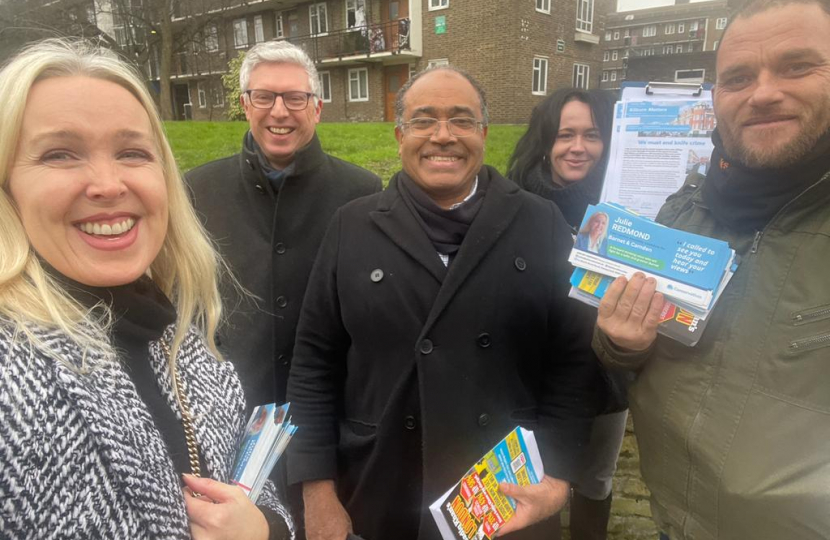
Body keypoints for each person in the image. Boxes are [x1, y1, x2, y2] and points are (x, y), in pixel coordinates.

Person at [286, 66, 604, 540]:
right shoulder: (350, 227)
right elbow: (313, 365)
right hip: (379, 488)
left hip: (507, 497)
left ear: (484, 134)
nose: (443, 136)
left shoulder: (540, 222)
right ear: (399, 135)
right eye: (423, 121)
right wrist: (317, 493)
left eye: (461, 120)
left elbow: (575, 362)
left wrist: (558, 479)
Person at [0, 39, 293, 539]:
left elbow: (248, 484)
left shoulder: (178, 335)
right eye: (60, 154)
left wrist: (267, 529)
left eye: (133, 152)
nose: (108, 184)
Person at [593, 0, 830, 538]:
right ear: (716, 95)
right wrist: (622, 343)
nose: (763, 92)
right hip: (673, 521)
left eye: (797, 66)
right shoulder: (684, 210)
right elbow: (639, 354)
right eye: (738, 77)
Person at [186, 41, 381, 411]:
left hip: (328, 407)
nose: (279, 112)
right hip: (230, 407)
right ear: (245, 106)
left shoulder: (361, 191)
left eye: (295, 98)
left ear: (317, 109)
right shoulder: (197, 189)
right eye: (263, 97)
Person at [508, 88, 624, 540]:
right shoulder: (515, 202)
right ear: (544, 142)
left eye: (592, 135)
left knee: (596, 477)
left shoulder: (629, 204)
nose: (578, 147)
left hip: (607, 367)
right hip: (535, 364)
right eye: (565, 135)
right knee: (541, 473)